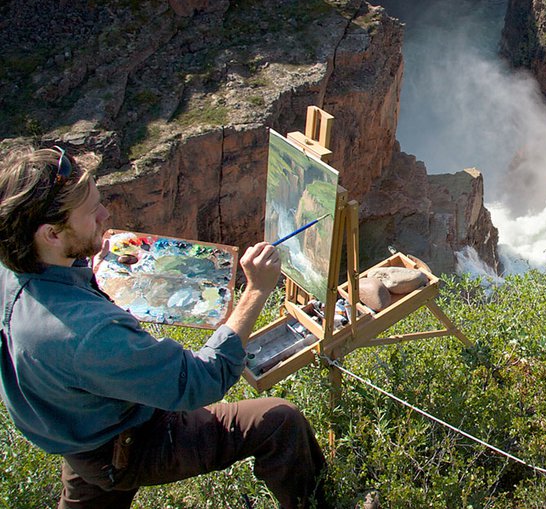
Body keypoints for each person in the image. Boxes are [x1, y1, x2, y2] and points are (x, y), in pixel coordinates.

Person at [0, 144, 330, 508]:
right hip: (128, 440)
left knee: (95, 488)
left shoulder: (15, 268)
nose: (105, 215)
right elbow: (204, 379)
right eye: (92, 212)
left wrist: (87, 259)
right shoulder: (88, 334)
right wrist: (256, 291)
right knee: (280, 423)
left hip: (80, 428)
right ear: (51, 234)